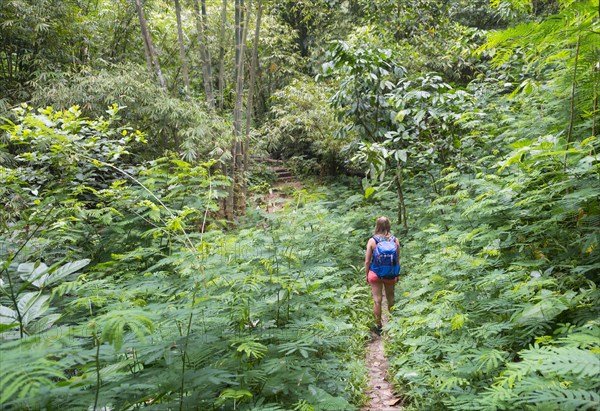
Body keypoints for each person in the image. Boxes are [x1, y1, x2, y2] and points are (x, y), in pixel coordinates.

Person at [364, 216, 400, 335]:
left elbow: (367, 261)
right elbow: (397, 259)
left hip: (375, 273)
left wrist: (367, 274)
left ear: (377, 226)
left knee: (377, 300)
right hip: (390, 273)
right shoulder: (395, 240)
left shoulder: (372, 240)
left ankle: (378, 326)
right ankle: (392, 324)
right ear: (389, 225)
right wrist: (397, 274)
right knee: (390, 298)